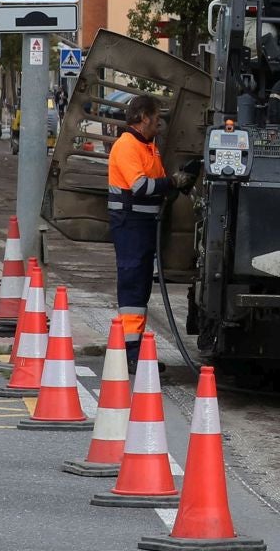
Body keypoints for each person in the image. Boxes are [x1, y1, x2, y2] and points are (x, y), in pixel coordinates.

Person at [106, 95, 197, 372]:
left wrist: (176, 183)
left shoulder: (149, 148)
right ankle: (129, 353)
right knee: (133, 286)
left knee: (140, 287)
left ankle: (132, 351)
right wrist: (172, 181)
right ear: (143, 116)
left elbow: (160, 185)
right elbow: (141, 187)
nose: (161, 122)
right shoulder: (127, 146)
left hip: (142, 227)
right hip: (130, 226)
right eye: (157, 117)